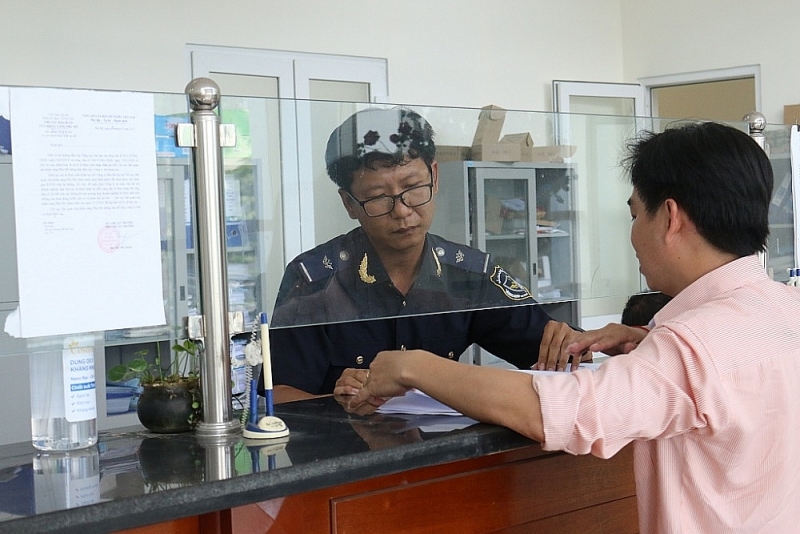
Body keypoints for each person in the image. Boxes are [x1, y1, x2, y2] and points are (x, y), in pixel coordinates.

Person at [351, 121, 800, 533]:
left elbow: (567, 410)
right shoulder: (784, 307)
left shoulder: (693, 346)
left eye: (635, 213)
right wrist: (646, 341)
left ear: (670, 218)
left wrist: (414, 368)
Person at [262, 107, 585, 403]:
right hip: (347, 455)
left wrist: (607, 338)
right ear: (349, 203)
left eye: (414, 188)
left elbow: (553, 353)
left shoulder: (469, 272)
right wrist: (337, 400)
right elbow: (277, 394)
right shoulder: (315, 279)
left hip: (442, 453)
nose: (402, 212)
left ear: (435, 175)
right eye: (378, 197)